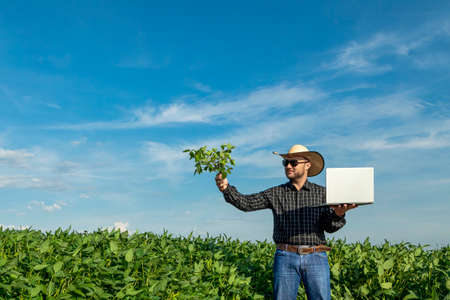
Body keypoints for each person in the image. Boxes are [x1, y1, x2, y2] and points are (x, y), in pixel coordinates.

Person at [215, 144, 357, 300]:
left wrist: (338, 213)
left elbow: (329, 227)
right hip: (285, 256)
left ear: (307, 165)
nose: (288, 166)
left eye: (294, 162)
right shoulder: (276, 193)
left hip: (316, 256)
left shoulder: (323, 194)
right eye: (285, 163)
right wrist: (226, 188)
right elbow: (246, 203)